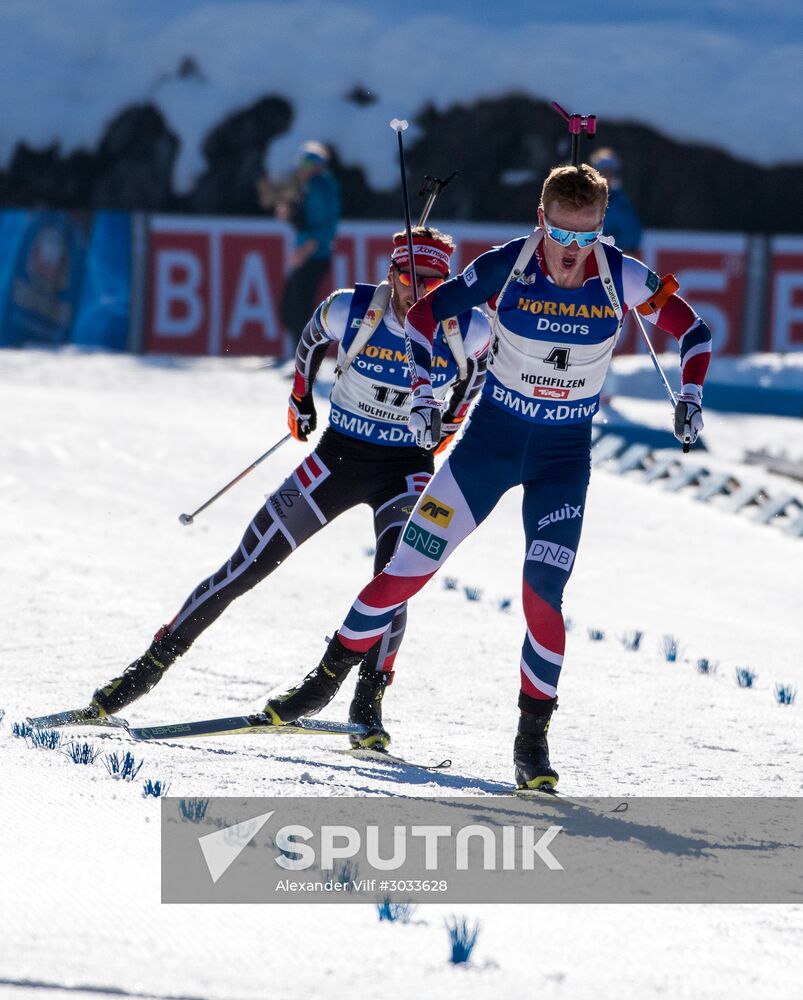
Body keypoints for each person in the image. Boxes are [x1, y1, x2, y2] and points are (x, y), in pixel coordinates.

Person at [264, 163, 711, 788]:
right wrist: (424, 383)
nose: (570, 253)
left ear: (602, 228)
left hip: (560, 462)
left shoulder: (622, 274)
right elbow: (424, 316)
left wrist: (689, 398)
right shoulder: (510, 263)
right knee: (404, 575)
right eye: (562, 234)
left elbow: (694, 331)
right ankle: (323, 684)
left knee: (541, 598)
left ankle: (532, 745)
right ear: (541, 219)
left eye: (587, 237)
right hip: (487, 451)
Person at [89, 227, 491, 748]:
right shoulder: (356, 309)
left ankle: (368, 702)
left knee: (396, 578)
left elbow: (476, 376)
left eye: (434, 282)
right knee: (247, 563)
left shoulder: (469, 327)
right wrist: (300, 399)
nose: (420, 292)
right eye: (410, 279)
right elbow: (310, 338)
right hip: (337, 457)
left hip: (406, 469)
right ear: (391, 273)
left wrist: (448, 426)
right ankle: (145, 670)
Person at [277, 141, 341, 356]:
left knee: (298, 308)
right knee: (291, 307)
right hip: (311, 255)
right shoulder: (314, 187)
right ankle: (298, 355)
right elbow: (308, 220)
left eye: (305, 163)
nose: (300, 168)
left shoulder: (319, 187)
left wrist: (304, 251)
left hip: (314, 256)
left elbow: (324, 227)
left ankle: (302, 358)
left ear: (316, 165)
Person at [590, 147, 642, 256]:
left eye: (610, 173)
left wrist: (626, 250)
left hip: (616, 258)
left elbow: (632, 233)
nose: (607, 177)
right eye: (603, 172)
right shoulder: (585, 199)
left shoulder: (623, 202)